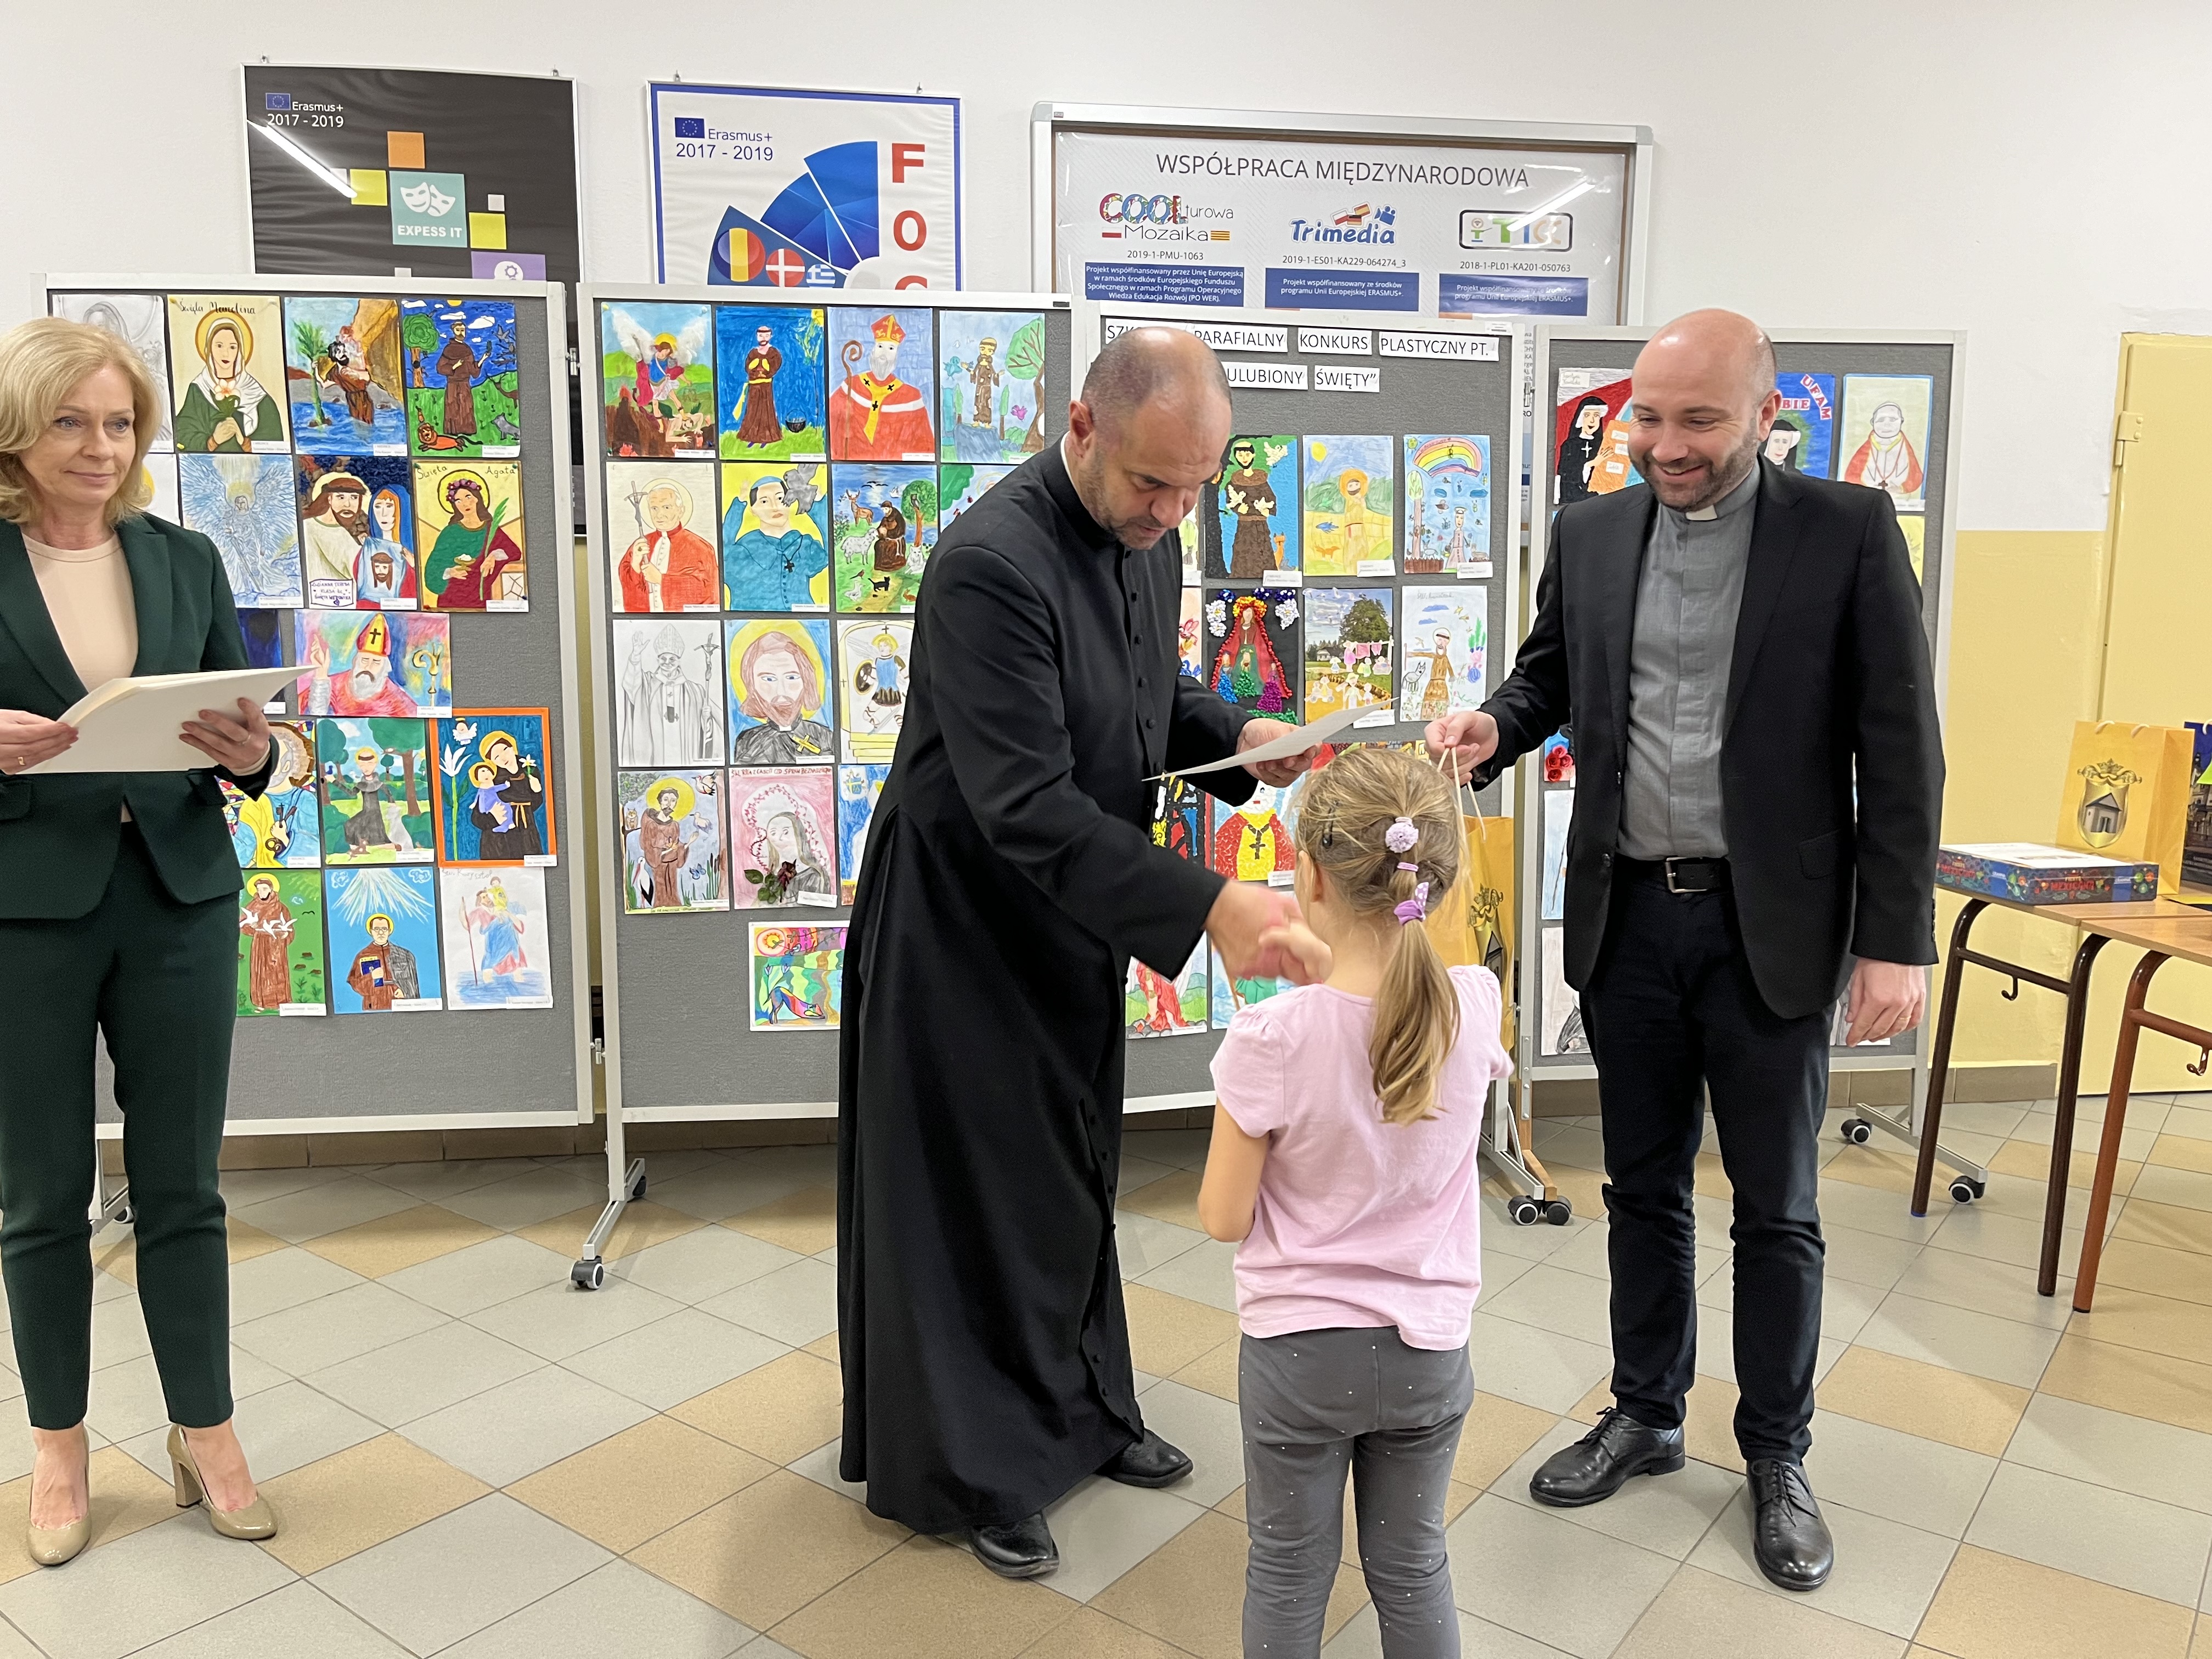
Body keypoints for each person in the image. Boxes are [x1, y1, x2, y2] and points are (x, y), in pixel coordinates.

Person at [1430, 309, 1944, 1593]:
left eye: (1699, 420)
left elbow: (1901, 745)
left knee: (1777, 1208)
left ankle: (1776, 1452)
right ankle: (1647, 1411)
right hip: (1627, 919)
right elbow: (1550, 675)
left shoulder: (1845, 532)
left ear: (1768, 415)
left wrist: (1895, 940)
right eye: (1646, 418)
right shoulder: (1594, 531)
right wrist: (1495, 726)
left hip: (1774, 926)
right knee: (1643, 1188)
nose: (1666, 445)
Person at [837, 325, 1323, 1579]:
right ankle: (979, 1467)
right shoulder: (987, 567)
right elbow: (1026, 804)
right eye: (1153, 483)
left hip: (1073, 907)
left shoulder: (1145, 533)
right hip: (963, 922)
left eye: (1193, 490)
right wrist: (1211, 907)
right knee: (973, 1194)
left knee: (1067, 1169)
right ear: (1083, 428)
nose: (1170, 514)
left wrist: (1240, 736)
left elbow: (1139, 694)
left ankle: (1085, 1413)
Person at [0, 318, 281, 1565]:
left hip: (179, 894)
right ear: (18, 430)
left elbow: (238, 720)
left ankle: (204, 1429)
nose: (100, 446)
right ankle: (58, 1445)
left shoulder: (184, 557)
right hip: (24, 906)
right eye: (70, 421)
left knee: (184, 1185)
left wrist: (256, 750)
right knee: (39, 1193)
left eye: (119, 423)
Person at [1197, 748, 1511, 1659]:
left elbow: (1222, 1216)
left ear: (1307, 877)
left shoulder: (1270, 1035)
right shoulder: (1475, 1004)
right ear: (1438, 880)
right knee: (1413, 1566)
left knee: (1287, 1572)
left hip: (1299, 1356)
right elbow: (1391, 1033)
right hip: (1429, 1355)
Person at [827, 314, 933, 459]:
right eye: (881, 346)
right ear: (873, 350)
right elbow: (830, 424)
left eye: (891, 348)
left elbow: (925, 448)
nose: (884, 354)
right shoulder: (852, 385)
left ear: (896, 355)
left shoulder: (911, 396)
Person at [173, 309, 279, 453]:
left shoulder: (257, 395)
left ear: (240, 351)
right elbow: (182, 435)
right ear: (209, 349)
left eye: (233, 347)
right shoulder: (199, 390)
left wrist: (246, 444)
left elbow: (275, 442)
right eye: (219, 346)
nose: (226, 353)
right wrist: (213, 441)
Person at [721, 472, 827, 610]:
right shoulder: (745, 549)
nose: (775, 507)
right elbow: (721, 558)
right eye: (764, 502)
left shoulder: (804, 545)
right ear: (753, 510)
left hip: (804, 619)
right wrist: (738, 506)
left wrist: (817, 505)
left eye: (780, 498)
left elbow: (833, 554)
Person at [727, 629, 832, 764]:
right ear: (752, 685)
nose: (781, 692)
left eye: (792, 677)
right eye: (769, 679)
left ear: (807, 681)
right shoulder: (747, 742)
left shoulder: (823, 736)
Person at [422, 470, 522, 610]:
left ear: (477, 498)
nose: (465, 504)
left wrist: (493, 556)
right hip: (452, 598)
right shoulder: (450, 533)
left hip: (481, 598)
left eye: (468, 497)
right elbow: (433, 567)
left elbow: (514, 552)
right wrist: (449, 572)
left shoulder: (491, 530)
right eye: (458, 501)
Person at [620, 624, 719, 766]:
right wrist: (636, 656)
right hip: (656, 754)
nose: (667, 662)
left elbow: (705, 729)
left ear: (679, 662)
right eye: (663, 658)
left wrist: (706, 719)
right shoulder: (648, 684)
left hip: (685, 755)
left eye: (672, 659)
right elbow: (631, 685)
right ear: (658, 660)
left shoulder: (694, 690)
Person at [619, 477, 716, 613]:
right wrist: (635, 564)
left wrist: (661, 580)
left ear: (681, 510)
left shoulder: (700, 547)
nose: (660, 515)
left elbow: (707, 590)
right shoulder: (641, 544)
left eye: (666, 507)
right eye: (654, 508)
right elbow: (629, 589)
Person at [470, 729, 544, 860]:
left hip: (526, 833)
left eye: (505, 750)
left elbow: (536, 803)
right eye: (496, 757)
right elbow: (477, 817)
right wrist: (493, 817)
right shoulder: (491, 778)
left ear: (512, 747)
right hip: (499, 842)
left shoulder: (529, 769)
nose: (503, 758)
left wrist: (537, 792)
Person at [298, 470, 370, 599]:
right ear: (329, 499)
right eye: (341, 497)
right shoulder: (306, 528)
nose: (348, 504)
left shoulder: (350, 536)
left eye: (354, 498)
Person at [1219, 436, 1279, 578]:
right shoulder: (1235, 480)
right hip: (1244, 525)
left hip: (1260, 525)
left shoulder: (1261, 478)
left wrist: (1268, 510)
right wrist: (1238, 509)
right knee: (1243, 549)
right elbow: (1230, 498)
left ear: (1253, 455)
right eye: (1240, 455)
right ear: (1236, 457)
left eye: (1247, 454)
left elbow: (1271, 497)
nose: (1244, 458)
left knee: (1262, 550)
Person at [355, 485, 417, 608]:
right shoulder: (368, 548)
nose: (383, 514)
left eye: (389, 506)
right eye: (378, 507)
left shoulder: (413, 552)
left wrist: (414, 567)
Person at [345, 912, 419, 1011]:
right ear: (371, 931)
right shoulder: (363, 955)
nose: (381, 932)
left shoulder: (404, 955)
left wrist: (405, 992)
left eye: (384, 929)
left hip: (398, 1002)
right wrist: (371, 977)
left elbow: (413, 982)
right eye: (377, 929)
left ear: (389, 931)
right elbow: (355, 983)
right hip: (374, 1003)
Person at [1554, 394, 1611, 505]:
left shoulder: (1600, 444)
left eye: (1596, 415)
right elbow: (1567, 477)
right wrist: (1591, 464)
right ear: (1580, 419)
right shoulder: (1570, 445)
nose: (1592, 420)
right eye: (1587, 415)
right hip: (1573, 498)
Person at [734, 322, 783, 448]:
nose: (763, 338)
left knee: (766, 410)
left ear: (770, 336)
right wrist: (755, 368)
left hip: (766, 387)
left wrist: (766, 369)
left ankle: (766, 438)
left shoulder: (774, 353)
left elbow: (774, 367)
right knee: (752, 410)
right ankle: (752, 437)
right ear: (757, 337)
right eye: (761, 336)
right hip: (754, 387)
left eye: (766, 335)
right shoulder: (753, 353)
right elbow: (748, 368)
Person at [432, 319, 479, 443]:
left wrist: (481, 361)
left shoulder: (467, 349)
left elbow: (473, 370)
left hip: (465, 384)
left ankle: (467, 430)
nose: (461, 333)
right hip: (453, 384)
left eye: (463, 330)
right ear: (453, 331)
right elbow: (440, 368)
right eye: (458, 330)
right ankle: (453, 431)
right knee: (453, 407)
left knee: (466, 406)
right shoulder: (448, 349)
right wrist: (454, 366)